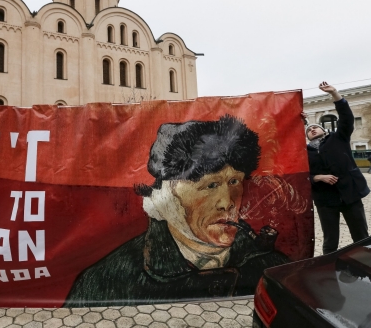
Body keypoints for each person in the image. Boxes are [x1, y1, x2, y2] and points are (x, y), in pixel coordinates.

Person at [64, 115, 289, 307]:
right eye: (210, 185)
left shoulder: (272, 265)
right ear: (168, 195)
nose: (226, 202)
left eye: (233, 182)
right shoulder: (107, 280)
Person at [305, 81, 369, 255]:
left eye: (315, 127)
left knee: (361, 236)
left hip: (350, 193)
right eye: (309, 128)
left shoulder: (338, 138)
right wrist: (317, 177)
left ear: (323, 131)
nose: (312, 128)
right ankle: (329, 271)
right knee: (330, 240)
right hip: (325, 200)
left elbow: (346, 117)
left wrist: (335, 94)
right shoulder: (304, 152)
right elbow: (302, 175)